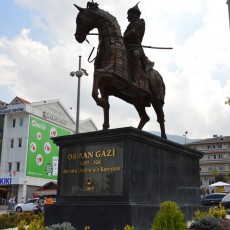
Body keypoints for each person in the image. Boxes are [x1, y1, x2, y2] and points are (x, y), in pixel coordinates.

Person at [123, 2, 147, 84]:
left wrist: (124, 37)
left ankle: (136, 80)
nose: (127, 17)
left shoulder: (141, 22)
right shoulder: (129, 25)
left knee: (135, 54)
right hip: (126, 47)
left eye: (128, 15)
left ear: (134, 14)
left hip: (136, 47)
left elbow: (133, 32)